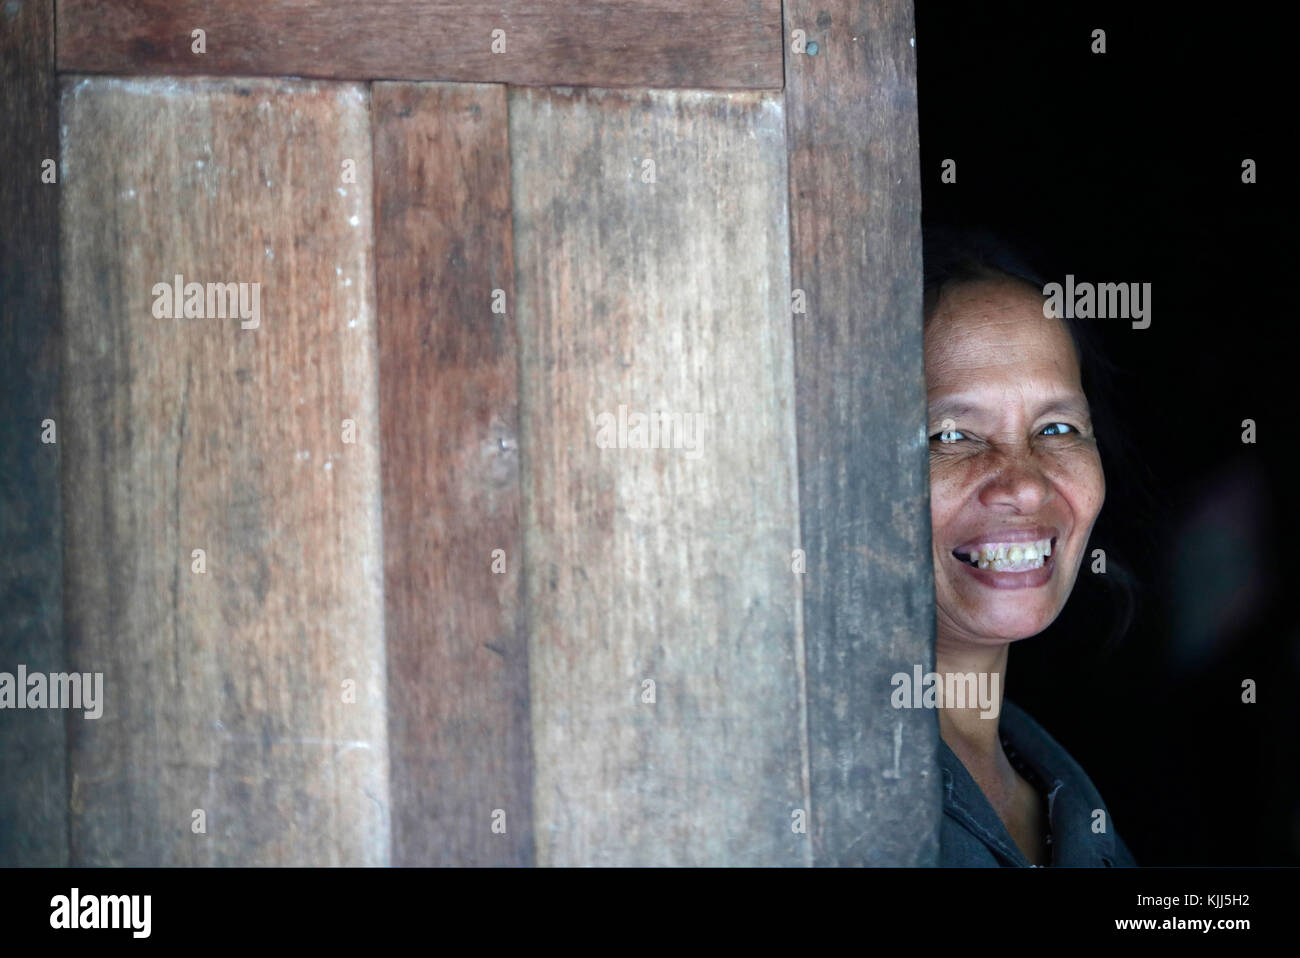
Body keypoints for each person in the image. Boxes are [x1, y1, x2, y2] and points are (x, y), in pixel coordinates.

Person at [923, 227, 1137, 867]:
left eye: (1057, 428)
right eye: (953, 435)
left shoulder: (1060, 796)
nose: (1023, 483)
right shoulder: (810, 787)